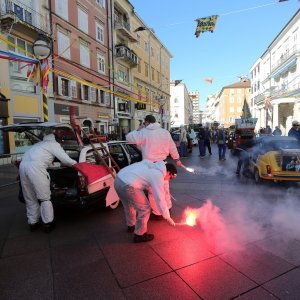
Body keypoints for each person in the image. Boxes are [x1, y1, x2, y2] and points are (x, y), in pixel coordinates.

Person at [19, 132, 77, 233]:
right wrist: (77, 164)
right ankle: (48, 224)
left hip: (23, 167)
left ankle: (33, 223)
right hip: (36, 169)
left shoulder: (38, 145)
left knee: (30, 197)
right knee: (44, 197)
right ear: (56, 139)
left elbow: (45, 160)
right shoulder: (53, 144)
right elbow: (67, 160)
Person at [126, 115, 182, 218]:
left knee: (153, 191)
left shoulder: (144, 132)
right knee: (165, 188)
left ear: (146, 122)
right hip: (163, 165)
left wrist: (139, 128)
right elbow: (172, 147)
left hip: (151, 166)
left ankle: (157, 213)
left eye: (144, 123)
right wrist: (177, 159)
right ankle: (168, 208)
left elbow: (129, 138)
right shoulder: (165, 132)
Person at [114, 160, 177, 243]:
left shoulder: (152, 165)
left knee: (128, 205)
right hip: (129, 185)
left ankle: (131, 226)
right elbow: (160, 198)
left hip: (118, 179)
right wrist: (167, 217)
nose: (168, 180)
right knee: (145, 208)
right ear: (168, 172)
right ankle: (140, 235)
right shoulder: (158, 175)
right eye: (171, 177)